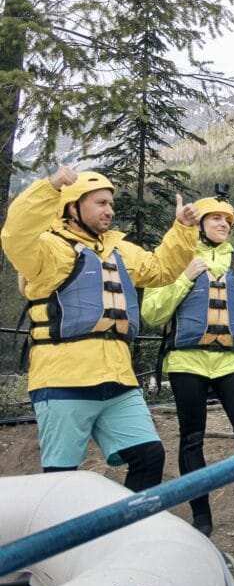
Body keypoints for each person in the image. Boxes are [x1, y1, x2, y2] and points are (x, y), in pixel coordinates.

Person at [0, 168, 199, 490]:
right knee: (61, 480)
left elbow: (160, 269)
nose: (110, 210)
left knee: (149, 457)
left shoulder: (118, 249)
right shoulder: (48, 250)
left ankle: (124, 535)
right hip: (63, 381)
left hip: (118, 379)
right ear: (72, 206)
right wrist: (49, 188)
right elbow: (15, 235)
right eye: (101, 203)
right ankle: (67, 541)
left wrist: (183, 229)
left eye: (111, 204)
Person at [141, 196, 234, 537]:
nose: (224, 224)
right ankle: (201, 518)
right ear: (199, 223)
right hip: (187, 360)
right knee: (192, 437)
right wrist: (183, 278)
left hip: (231, 361)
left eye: (228, 220)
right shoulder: (176, 259)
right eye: (216, 218)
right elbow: (152, 314)